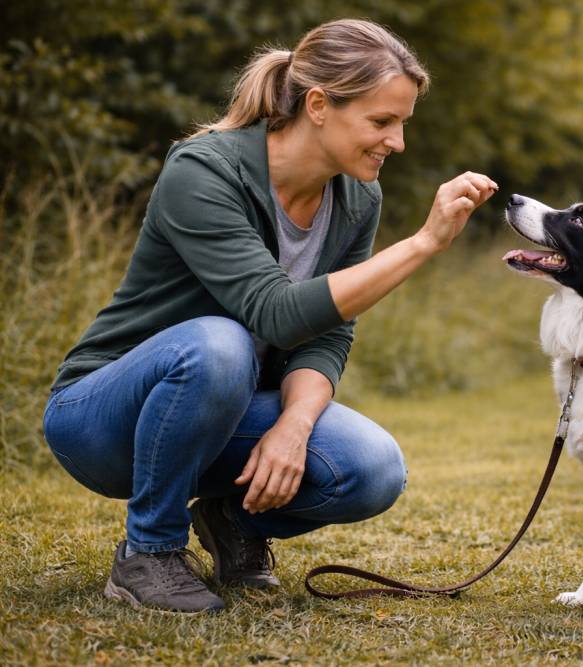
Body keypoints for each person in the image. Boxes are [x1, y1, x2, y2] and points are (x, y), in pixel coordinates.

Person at [42, 18, 497, 613]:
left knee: (372, 467)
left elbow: (325, 334)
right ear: (318, 105)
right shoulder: (203, 172)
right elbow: (277, 314)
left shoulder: (357, 197)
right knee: (219, 345)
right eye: (382, 121)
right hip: (102, 421)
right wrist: (422, 244)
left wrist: (294, 426)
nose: (397, 142)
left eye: (403, 123)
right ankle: (148, 553)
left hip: (224, 413)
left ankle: (233, 524)